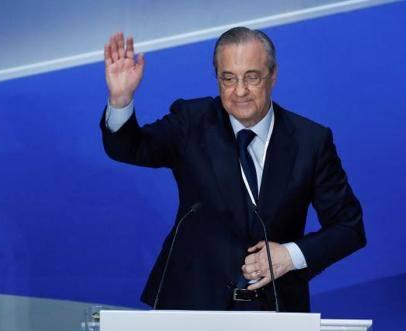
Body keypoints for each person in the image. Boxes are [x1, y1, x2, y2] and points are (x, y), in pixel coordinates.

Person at [100, 27, 366, 312]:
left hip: (274, 309)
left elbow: (349, 227)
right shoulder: (192, 122)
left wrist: (289, 256)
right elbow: (129, 148)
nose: (240, 91)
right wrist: (121, 100)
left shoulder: (310, 141)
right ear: (217, 78)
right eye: (228, 79)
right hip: (192, 303)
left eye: (252, 77)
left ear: (273, 75)